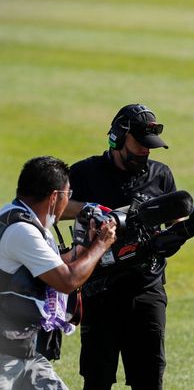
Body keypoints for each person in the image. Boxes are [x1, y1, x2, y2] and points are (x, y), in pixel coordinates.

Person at [63, 104, 176, 390]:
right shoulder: (85, 173)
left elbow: (175, 220)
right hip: (99, 292)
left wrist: (175, 234)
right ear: (117, 138)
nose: (146, 151)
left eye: (150, 146)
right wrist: (92, 210)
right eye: (139, 144)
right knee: (97, 381)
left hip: (147, 292)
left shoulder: (161, 175)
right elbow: (53, 208)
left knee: (149, 381)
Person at [1, 156, 117, 389]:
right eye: (68, 195)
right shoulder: (22, 231)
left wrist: (84, 247)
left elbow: (54, 266)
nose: (68, 202)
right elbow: (67, 280)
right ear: (55, 197)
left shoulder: (22, 219)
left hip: (24, 353)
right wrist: (100, 246)